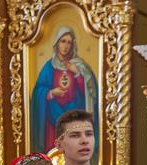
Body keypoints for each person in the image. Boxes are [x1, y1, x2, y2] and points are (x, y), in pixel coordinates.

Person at [30, 26, 99, 154]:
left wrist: (77, 73)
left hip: (76, 117)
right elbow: (37, 91)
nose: (66, 46)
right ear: (57, 43)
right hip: (53, 119)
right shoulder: (49, 67)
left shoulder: (79, 65)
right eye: (63, 41)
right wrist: (51, 93)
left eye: (69, 42)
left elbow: (91, 93)